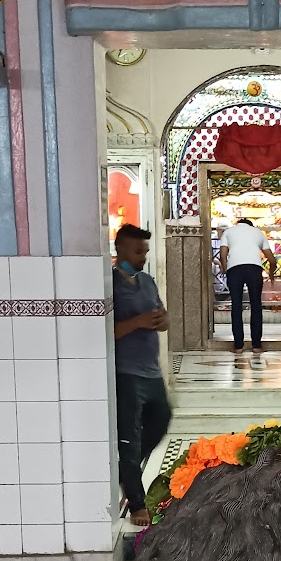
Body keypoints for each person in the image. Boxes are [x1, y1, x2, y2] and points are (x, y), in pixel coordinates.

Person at [112, 223, 171, 527]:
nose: (143, 257)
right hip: (127, 372)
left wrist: (161, 321)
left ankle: (125, 469)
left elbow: (161, 319)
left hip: (151, 370)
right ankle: (136, 501)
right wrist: (137, 322)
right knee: (130, 437)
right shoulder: (109, 284)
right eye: (138, 251)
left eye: (145, 251)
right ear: (119, 249)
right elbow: (107, 331)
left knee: (161, 420)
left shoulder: (147, 281)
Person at [219, 216, 277, 354]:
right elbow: (271, 259)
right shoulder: (258, 233)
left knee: (237, 306)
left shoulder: (228, 232)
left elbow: (222, 255)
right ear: (251, 225)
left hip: (235, 270)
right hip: (254, 269)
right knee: (256, 305)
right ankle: (256, 345)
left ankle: (238, 346)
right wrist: (271, 272)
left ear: (238, 224)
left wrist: (226, 269)